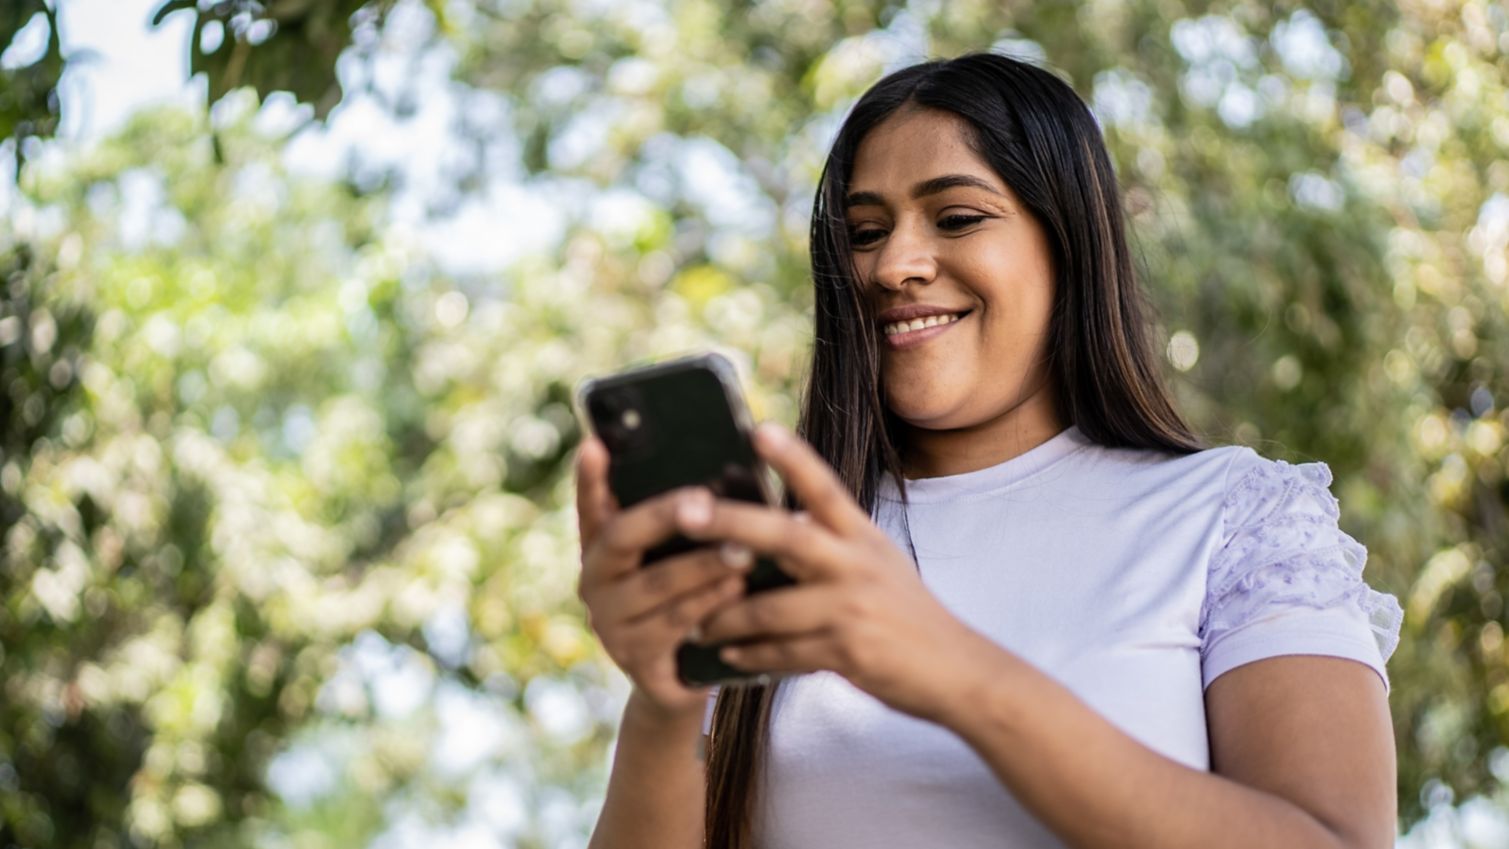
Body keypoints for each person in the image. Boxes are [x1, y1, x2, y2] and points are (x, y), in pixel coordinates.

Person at [572, 52, 1404, 849]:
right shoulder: (787, 552)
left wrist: (952, 671)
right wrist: (665, 695)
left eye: (957, 217)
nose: (894, 264)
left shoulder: (1230, 517)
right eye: (864, 232)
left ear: (1065, 242)